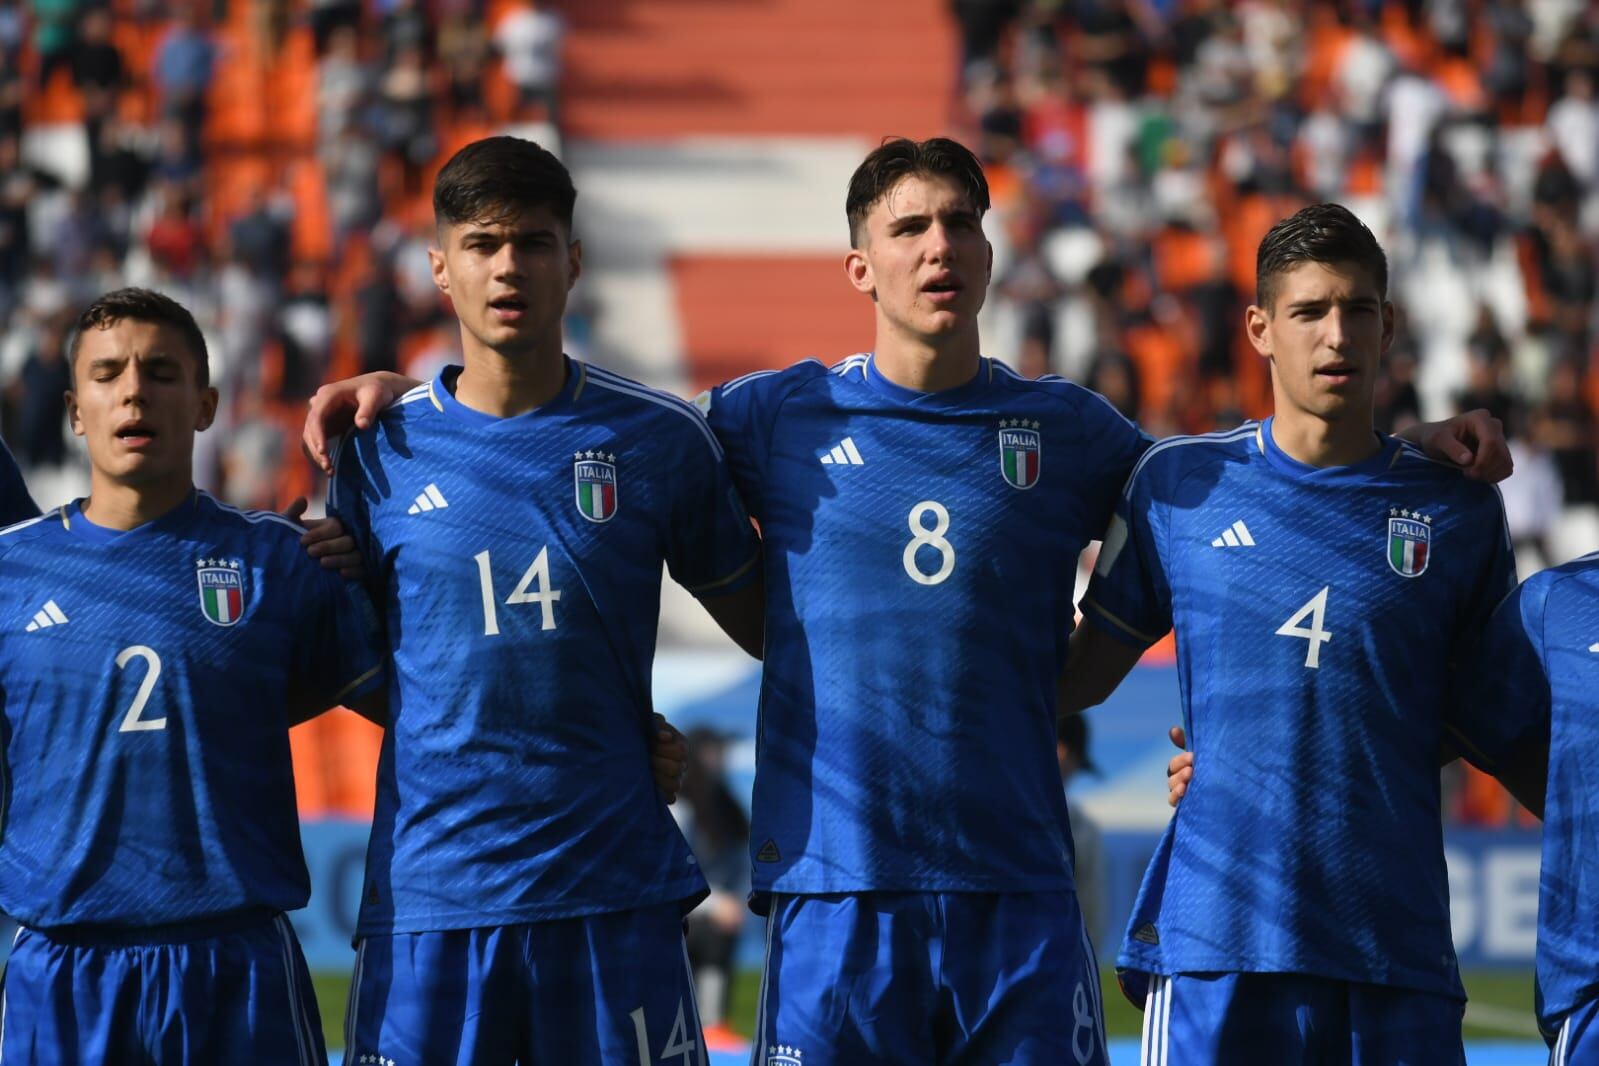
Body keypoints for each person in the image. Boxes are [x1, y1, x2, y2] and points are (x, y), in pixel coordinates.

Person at [304, 141, 1509, 1066]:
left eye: (962, 224)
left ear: (989, 254)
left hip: (1022, 889)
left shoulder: (1080, 435)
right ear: (860, 264)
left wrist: (1409, 450)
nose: (941, 247)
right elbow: (543, 435)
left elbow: (1266, 483)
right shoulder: (759, 420)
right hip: (836, 885)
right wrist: (407, 395)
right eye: (911, 226)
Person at [322, 136, 763, 1065]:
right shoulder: (374, 451)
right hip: (432, 897)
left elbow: (776, 627)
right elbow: (358, 662)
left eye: (532, 241)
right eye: (481, 244)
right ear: (440, 268)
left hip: (612, 892)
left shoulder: (660, 440)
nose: (508, 265)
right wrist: (482, 718)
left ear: (573, 260)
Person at [1062, 203, 1517, 1064]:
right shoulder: (1176, 484)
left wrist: (1311, 745)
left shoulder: (1457, 510)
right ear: (1260, 329)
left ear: (1389, 326)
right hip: (1213, 950)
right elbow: (1077, 677)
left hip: (1394, 947)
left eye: (1356, 310)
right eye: (1308, 312)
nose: (1334, 334)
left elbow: (1485, 714)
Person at [0, 287, 386, 1063]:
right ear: (76, 411)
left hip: (235, 967)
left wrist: (610, 735)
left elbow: (435, 704)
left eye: (161, 372)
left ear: (207, 403)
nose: (134, 390)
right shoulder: (10, 569)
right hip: (62, 970)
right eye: (108, 374)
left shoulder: (283, 560)